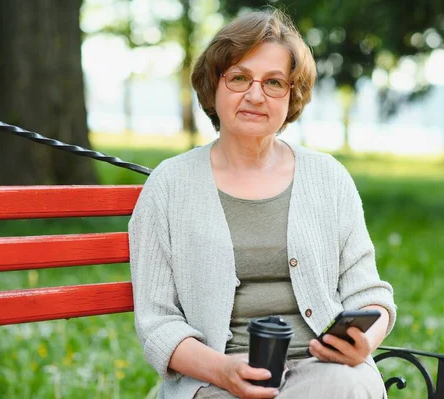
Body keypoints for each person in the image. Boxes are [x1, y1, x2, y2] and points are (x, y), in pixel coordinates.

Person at [129, 9, 396, 399]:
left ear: (292, 95)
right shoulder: (168, 186)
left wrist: (365, 340)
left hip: (324, 372)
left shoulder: (328, 177)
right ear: (213, 86)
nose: (255, 95)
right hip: (214, 377)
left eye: (273, 82)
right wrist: (222, 370)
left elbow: (369, 293)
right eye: (239, 78)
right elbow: (157, 322)